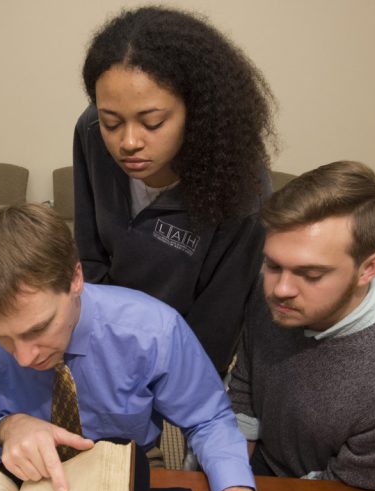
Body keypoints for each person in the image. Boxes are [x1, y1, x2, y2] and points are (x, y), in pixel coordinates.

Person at [0, 203, 308, 491]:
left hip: (127, 468)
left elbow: (208, 418)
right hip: (21, 479)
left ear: (75, 279)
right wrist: (7, 427)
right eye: (1, 338)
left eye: (39, 328)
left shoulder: (153, 330)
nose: (23, 357)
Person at [74, 6, 275, 376]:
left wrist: (176, 383)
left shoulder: (242, 191)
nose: (128, 142)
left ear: (197, 112)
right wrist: (101, 344)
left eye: (153, 122)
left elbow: (218, 320)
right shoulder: (89, 133)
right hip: (103, 333)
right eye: (112, 122)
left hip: (180, 344)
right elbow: (90, 253)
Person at [229, 161, 375, 490]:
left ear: (369, 268)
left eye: (311, 274)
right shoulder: (272, 297)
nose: (280, 289)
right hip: (263, 461)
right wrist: (233, 480)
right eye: (273, 264)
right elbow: (245, 392)